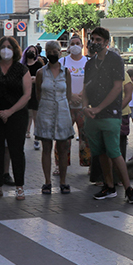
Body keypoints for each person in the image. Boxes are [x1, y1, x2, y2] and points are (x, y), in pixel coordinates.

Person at [84, 27, 133, 203]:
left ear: (107, 42)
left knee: (114, 152)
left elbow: (117, 88)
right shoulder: (90, 63)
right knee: (100, 152)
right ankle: (109, 186)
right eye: (93, 39)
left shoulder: (114, 60)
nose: (94, 43)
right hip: (93, 115)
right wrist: (85, 107)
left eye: (98, 40)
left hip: (110, 114)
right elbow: (86, 88)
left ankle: (129, 189)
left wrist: (98, 108)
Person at [0, 37, 32, 201]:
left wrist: (10, 112)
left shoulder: (22, 69)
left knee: (16, 150)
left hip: (17, 115)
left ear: (15, 50)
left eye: (9, 47)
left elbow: (27, 95)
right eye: (3, 47)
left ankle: (19, 187)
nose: (6, 50)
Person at [35, 41, 74, 194]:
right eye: (49, 51)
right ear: (45, 53)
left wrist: (65, 107)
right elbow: (38, 93)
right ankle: (47, 182)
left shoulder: (66, 72)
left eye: (54, 51)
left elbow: (68, 94)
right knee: (46, 148)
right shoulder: (40, 73)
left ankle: (63, 181)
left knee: (63, 148)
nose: (52, 53)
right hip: (45, 111)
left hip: (63, 111)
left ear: (60, 52)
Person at [60, 34, 88, 166]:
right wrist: (70, 95)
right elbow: (58, 81)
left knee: (86, 137)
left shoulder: (88, 62)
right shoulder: (62, 62)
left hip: (83, 106)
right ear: (68, 47)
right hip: (67, 106)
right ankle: (61, 164)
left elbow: (92, 81)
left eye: (77, 43)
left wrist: (82, 95)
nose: (75, 46)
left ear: (82, 46)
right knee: (63, 138)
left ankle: (88, 164)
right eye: (72, 44)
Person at [22, 46, 45, 150]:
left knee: (36, 115)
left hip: (36, 92)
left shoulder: (39, 65)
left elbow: (42, 77)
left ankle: (37, 137)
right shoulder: (22, 65)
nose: (31, 53)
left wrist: (35, 79)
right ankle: (26, 132)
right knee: (27, 115)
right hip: (25, 92)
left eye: (33, 51)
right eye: (29, 51)